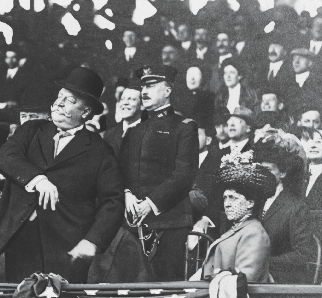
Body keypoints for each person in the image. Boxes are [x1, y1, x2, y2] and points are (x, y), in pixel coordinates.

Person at [0, 67, 124, 283]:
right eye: (60, 96)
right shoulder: (31, 130)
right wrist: (38, 179)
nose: (59, 103)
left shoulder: (100, 151)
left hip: (67, 250)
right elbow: (7, 157)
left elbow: (113, 201)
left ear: (86, 112)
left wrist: (92, 241)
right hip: (20, 241)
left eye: (70, 100)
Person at [118, 64, 198, 281]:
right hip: (132, 224)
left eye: (152, 86)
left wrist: (151, 203)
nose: (144, 91)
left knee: (166, 291)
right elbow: (121, 171)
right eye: (143, 86)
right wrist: (126, 194)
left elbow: (184, 175)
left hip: (170, 225)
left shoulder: (184, 127)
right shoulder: (134, 131)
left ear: (168, 90)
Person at [193, 151, 277, 282]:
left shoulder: (254, 233)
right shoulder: (239, 229)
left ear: (250, 203)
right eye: (225, 198)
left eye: (233, 198)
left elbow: (244, 280)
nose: (227, 204)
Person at [253, 142, 316, 284]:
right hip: (256, 271)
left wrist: (265, 261)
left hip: (284, 277)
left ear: (282, 173)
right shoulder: (254, 202)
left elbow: (303, 253)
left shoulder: (296, 207)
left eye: (268, 169)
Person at [104, 80, 142, 156]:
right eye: (122, 99)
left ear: (142, 105)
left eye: (131, 99)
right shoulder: (109, 134)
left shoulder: (150, 133)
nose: (125, 103)